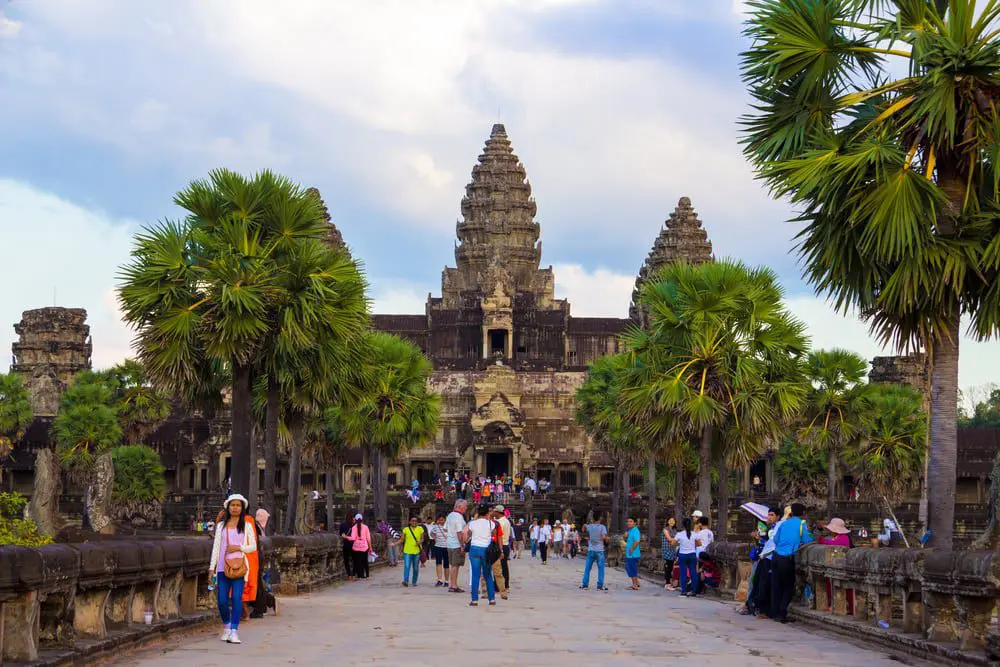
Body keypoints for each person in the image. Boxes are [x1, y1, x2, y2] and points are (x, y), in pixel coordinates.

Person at [209, 494, 257, 644]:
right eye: (232, 505)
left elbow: (253, 546)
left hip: (240, 567)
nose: (235, 508)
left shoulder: (247, 525)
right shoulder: (221, 526)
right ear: (228, 507)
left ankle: (234, 630)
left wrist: (239, 547)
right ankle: (227, 626)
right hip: (223, 568)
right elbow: (216, 547)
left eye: (238, 505)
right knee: (222, 601)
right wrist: (212, 568)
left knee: (236, 598)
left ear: (242, 508)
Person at [770, 503, 813, 623]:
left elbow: (776, 539)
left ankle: (775, 612)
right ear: (803, 513)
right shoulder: (802, 524)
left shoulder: (784, 523)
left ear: (791, 513)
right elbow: (807, 539)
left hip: (776, 556)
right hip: (787, 558)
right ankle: (782, 614)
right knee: (788, 586)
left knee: (776, 585)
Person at [463, 505, 497, 606]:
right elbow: (494, 535)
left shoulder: (472, 523)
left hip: (474, 549)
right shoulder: (491, 524)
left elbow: (467, 534)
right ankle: (491, 599)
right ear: (487, 513)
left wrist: (466, 541)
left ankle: (474, 600)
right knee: (487, 575)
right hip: (486, 550)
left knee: (475, 575)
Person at [666, 517, 698, 597]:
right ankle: (694, 591)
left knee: (683, 573)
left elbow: (673, 543)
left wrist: (680, 543)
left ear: (683, 525)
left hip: (683, 555)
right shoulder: (694, 534)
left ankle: (683, 591)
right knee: (693, 573)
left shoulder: (679, 534)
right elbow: (699, 543)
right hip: (692, 555)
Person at [579, 512, 609, 591]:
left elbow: (584, 526)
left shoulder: (590, 526)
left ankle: (585, 584)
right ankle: (600, 585)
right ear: (600, 518)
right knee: (601, 568)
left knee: (587, 568)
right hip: (599, 550)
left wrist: (583, 527)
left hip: (591, 549)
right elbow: (603, 537)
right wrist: (606, 538)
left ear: (593, 518)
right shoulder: (602, 527)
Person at [445, 500, 468, 593]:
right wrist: (462, 545)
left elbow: (445, 529)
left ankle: (452, 584)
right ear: (460, 507)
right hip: (456, 544)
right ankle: (453, 585)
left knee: (453, 565)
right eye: (465, 507)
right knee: (456, 565)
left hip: (450, 543)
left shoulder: (450, 515)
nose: (466, 509)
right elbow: (459, 532)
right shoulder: (458, 517)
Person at [399, 515, 425, 587]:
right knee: (407, 566)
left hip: (416, 551)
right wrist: (394, 544)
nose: (414, 522)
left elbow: (422, 538)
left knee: (416, 567)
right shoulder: (406, 529)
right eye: (412, 521)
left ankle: (414, 581)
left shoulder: (420, 529)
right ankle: (406, 580)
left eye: (415, 521)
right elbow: (402, 539)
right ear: (410, 522)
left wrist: (420, 542)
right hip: (407, 550)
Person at [348, 513, 373, 580]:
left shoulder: (353, 528)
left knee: (356, 562)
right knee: (365, 561)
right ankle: (367, 576)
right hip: (364, 546)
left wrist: (346, 537)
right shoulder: (366, 527)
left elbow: (353, 538)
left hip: (356, 546)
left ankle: (357, 576)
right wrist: (370, 547)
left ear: (355, 520)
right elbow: (368, 538)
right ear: (362, 520)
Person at [494, 505, 512, 596]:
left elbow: (498, 535)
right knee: (504, 566)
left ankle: (499, 586)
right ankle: (506, 585)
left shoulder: (499, 522)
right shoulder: (507, 521)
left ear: (498, 512)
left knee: (498, 567)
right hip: (506, 544)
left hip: (500, 545)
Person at [429, 514, 450, 587]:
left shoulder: (449, 526)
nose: (441, 521)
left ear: (445, 519)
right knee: (438, 563)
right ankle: (440, 580)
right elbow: (431, 533)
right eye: (440, 520)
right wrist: (435, 538)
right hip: (438, 546)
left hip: (447, 547)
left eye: (442, 520)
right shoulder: (435, 527)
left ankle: (447, 581)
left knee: (446, 565)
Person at [624, 516, 642, 590]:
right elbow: (625, 537)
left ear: (635, 523)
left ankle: (634, 585)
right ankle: (637, 583)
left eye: (631, 521)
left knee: (631, 569)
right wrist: (625, 536)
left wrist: (631, 549)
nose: (629, 523)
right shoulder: (630, 530)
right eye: (628, 521)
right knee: (629, 568)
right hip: (630, 554)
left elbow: (637, 541)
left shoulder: (635, 530)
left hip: (633, 554)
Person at [662, 516, 678, 591]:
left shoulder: (675, 530)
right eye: (670, 520)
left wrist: (675, 540)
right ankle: (667, 584)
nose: (671, 522)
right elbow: (669, 539)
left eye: (673, 521)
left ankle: (669, 582)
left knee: (671, 567)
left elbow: (676, 540)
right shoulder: (665, 529)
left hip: (673, 550)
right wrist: (676, 540)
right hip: (667, 549)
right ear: (667, 521)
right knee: (668, 567)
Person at [339, 515, 356, 581]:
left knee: (346, 561)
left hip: (346, 545)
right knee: (355, 560)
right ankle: (354, 575)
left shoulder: (342, 525)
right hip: (354, 545)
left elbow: (341, 534)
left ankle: (349, 575)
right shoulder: (355, 525)